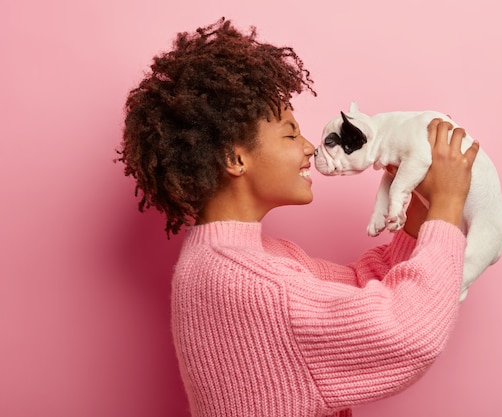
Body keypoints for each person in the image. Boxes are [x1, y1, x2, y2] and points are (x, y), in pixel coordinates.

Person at [118, 17, 479, 417]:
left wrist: (416, 206)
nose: (309, 147)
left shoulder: (239, 259)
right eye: (290, 133)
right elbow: (406, 334)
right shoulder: (245, 282)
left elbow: (363, 287)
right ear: (235, 158)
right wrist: (447, 202)